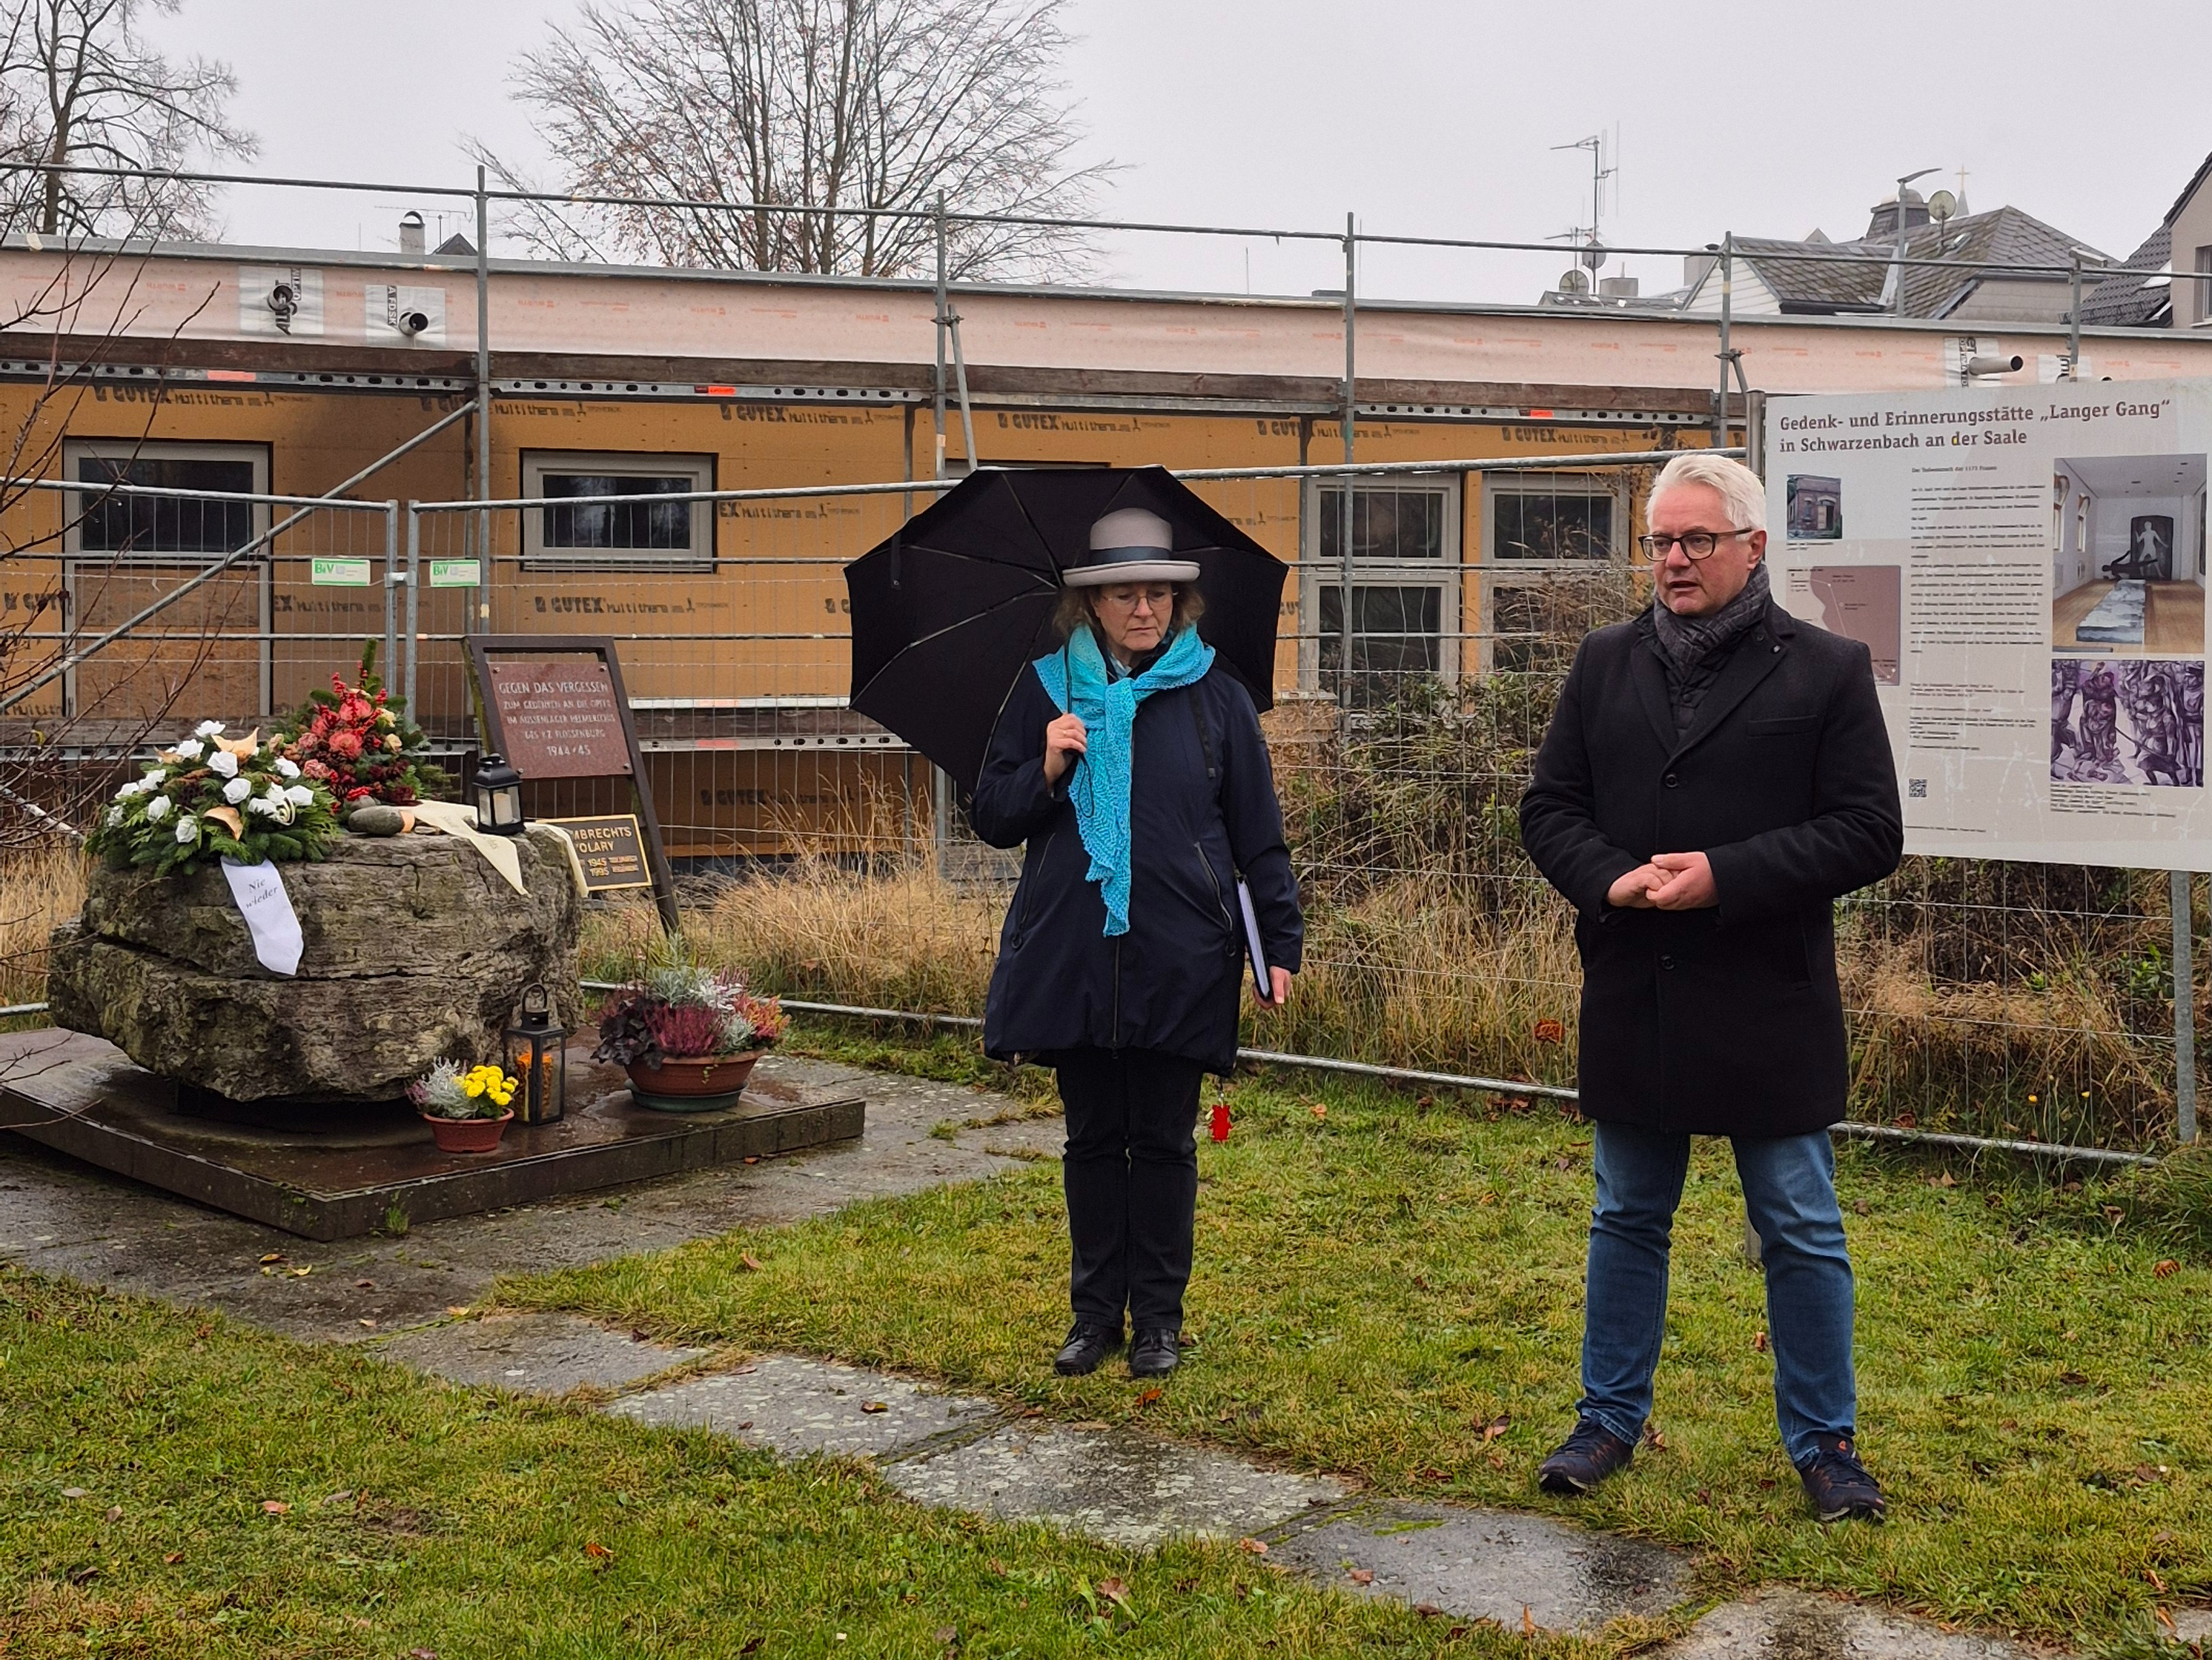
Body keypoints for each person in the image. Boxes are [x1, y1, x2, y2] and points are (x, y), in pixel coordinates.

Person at [1518, 452, 1903, 1523]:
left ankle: (1826, 1444)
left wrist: (1725, 875)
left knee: (1799, 1225)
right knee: (1626, 1214)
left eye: (1696, 540)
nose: (1674, 560)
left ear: (1754, 546)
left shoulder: (1825, 668)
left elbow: (1869, 830)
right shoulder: (1604, 661)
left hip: (1766, 997)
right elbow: (1549, 807)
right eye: (1659, 542)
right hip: (1636, 986)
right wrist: (1610, 879)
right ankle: (1605, 1422)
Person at [972, 505, 1302, 1381]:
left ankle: (1157, 1319)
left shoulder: (1215, 695)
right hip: (1073, 952)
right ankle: (1092, 1318)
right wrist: (1046, 767)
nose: (1143, 608)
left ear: (1179, 601)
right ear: (1091, 603)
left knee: (1163, 1141)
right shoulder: (1044, 690)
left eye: (1157, 592)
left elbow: (1257, 835)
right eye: (1124, 593)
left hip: (1181, 951)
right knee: (1090, 1139)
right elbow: (992, 815)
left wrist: (1278, 943)